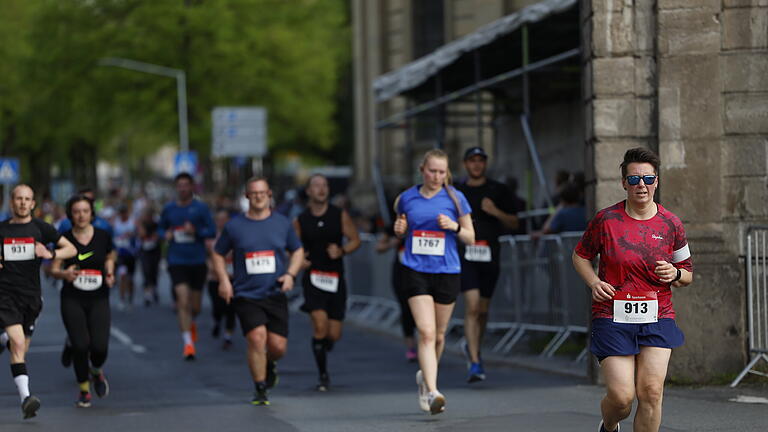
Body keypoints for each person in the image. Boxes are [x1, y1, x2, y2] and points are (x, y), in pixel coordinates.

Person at [572, 147, 693, 432]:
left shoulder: (671, 223)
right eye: (635, 179)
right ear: (624, 183)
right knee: (622, 398)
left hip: (657, 314)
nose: (642, 185)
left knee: (651, 392)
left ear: (657, 182)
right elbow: (580, 255)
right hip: (613, 315)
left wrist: (676, 273)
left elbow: (687, 272)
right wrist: (593, 283)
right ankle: (610, 425)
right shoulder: (606, 220)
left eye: (648, 179)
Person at [393, 149, 475, 415]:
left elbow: (470, 238)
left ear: (446, 173)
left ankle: (425, 381)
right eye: (432, 171)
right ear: (422, 170)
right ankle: (432, 391)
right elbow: (401, 225)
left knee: (439, 335)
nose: (437, 176)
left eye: (442, 172)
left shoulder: (455, 198)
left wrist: (453, 226)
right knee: (426, 332)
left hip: (447, 271)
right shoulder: (407, 198)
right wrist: (400, 230)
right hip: (415, 269)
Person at [212, 177, 303, 406]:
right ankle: (260, 388)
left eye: (262, 192)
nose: (259, 196)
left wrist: (291, 275)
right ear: (247, 197)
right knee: (256, 337)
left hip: (275, 292)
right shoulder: (235, 226)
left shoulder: (282, 223)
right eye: (254, 193)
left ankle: (269, 364)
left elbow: (298, 251)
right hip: (246, 294)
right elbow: (218, 253)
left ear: (269, 194)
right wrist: (224, 281)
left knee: (277, 347)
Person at [0, 184, 77, 419]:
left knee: (20, 350)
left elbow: (71, 249)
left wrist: (50, 254)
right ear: (12, 203)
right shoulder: (1, 230)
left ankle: (3, 337)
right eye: (19, 199)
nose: (23, 203)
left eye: (27, 199)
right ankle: (26, 398)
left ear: (33, 204)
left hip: (31, 297)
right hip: (5, 295)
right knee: (19, 343)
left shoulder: (41, 228)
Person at [455, 147, 518, 383]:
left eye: (481, 160)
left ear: (485, 163)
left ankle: (474, 349)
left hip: (490, 255)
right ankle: (474, 361)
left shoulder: (498, 190)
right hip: (466, 256)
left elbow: (515, 222)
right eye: (472, 160)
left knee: (482, 310)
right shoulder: (457, 192)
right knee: (471, 308)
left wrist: (495, 211)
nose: (476, 165)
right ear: (465, 164)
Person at [293, 174, 361, 391]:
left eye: (324, 186)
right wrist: (299, 260)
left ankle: (324, 344)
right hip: (313, 278)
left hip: (335, 278)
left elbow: (356, 240)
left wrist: (341, 250)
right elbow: (293, 247)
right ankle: (323, 375)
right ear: (308, 192)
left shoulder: (339, 215)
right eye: (316, 186)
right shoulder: (301, 219)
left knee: (334, 333)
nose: (321, 190)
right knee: (319, 325)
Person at [50, 194, 116, 408]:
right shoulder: (65, 237)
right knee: (80, 345)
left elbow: (110, 255)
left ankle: (96, 370)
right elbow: (53, 269)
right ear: (71, 214)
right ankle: (84, 390)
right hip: (72, 298)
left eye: (85, 211)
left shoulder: (103, 236)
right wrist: (64, 274)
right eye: (77, 211)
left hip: (98, 298)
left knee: (99, 347)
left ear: (91, 213)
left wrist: (110, 271)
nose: (81, 215)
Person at [158, 173, 215, 360]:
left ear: (192, 187)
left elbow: (212, 230)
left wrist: (196, 231)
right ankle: (188, 344)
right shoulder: (169, 209)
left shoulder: (200, 208)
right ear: (176, 188)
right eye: (180, 185)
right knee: (183, 301)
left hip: (197, 260)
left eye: (186, 185)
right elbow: (160, 228)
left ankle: (191, 323)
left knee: (195, 307)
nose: (182, 188)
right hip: (177, 261)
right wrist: (165, 234)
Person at [375, 229, 417, 362]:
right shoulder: (395, 225)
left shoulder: (426, 221)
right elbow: (379, 247)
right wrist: (391, 243)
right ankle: (411, 347)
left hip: (423, 272)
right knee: (406, 309)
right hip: (402, 274)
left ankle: (426, 344)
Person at [206, 208, 237, 349]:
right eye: (219, 219)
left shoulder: (237, 237)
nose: (222, 222)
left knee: (231, 308)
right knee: (218, 307)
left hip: (233, 278)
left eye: (225, 219)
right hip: (215, 279)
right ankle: (217, 321)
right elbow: (207, 258)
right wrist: (215, 269)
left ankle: (228, 336)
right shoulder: (211, 239)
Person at [113, 203, 138, 310]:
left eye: (124, 212)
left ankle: (130, 298)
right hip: (121, 254)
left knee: (130, 278)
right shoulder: (116, 223)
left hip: (131, 254)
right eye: (120, 213)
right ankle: (122, 299)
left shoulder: (132, 222)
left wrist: (131, 234)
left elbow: (138, 234)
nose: (122, 215)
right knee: (122, 276)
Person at [137, 205, 162, 306]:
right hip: (145, 251)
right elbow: (141, 235)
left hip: (155, 251)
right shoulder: (141, 224)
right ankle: (147, 293)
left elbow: (159, 236)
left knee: (154, 271)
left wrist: (156, 236)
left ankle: (154, 288)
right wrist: (141, 224)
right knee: (146, 270)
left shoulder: (157, 224)